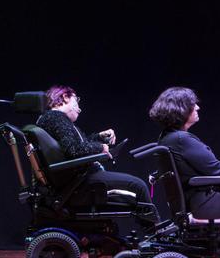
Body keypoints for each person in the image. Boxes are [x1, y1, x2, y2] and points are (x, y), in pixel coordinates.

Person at [36, 85, 156, 218]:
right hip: (81, 184)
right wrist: (101, 148)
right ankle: (154, 230)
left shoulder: (52, 119)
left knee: (137, 185)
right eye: (76, 100)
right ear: (65, 97)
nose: (79, 108)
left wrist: (99, 137)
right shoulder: (56, 118)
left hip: (79, 181)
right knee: (138, 187)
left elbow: (77, 145)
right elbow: (74, 150)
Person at [148, 87, 220, 219]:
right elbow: (217, 170)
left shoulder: (166, 137)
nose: (198, 107)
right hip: (207, 199)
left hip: (201, 197)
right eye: (193, 105)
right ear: (181, 109)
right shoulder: (182, 139)